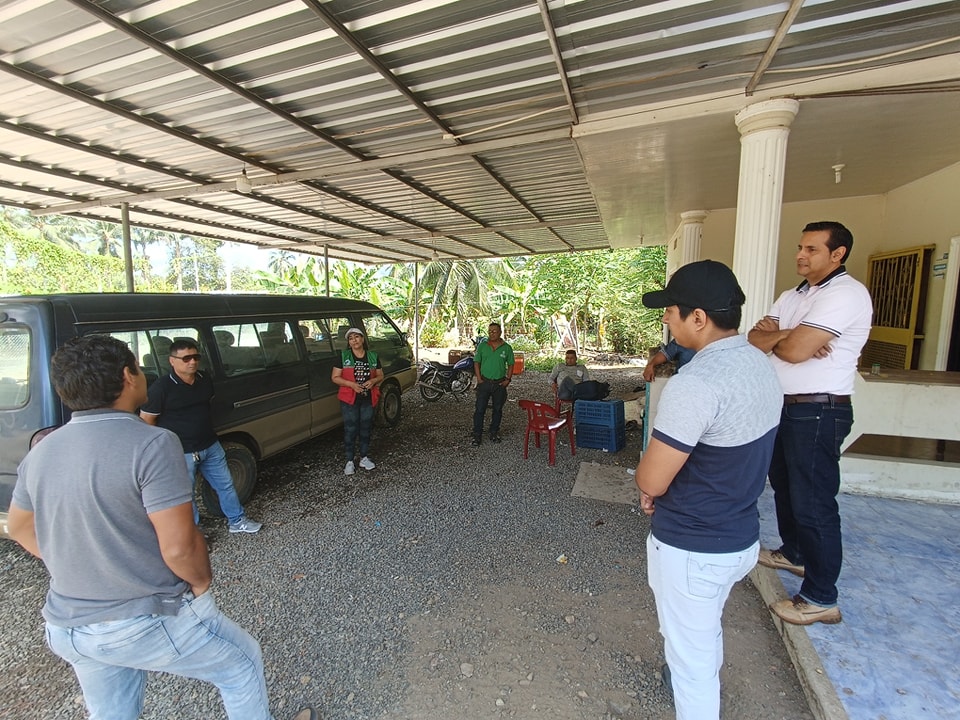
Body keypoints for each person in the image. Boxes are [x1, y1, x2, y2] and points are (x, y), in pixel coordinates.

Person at [7, 335, 314, 720]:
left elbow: (19, 527)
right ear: (128, 376)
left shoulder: (43, 451)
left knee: (112, 712)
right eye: (139, 368)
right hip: (141, 619)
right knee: (240, 663)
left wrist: (77, 564)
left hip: (67, 626)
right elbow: (179, 547)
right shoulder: (152, 443)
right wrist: (201, 585)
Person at [635, 260, 782, 720]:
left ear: (698, 317)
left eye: (670, 310)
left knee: (692, 666)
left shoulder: (697, 383)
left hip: (693, 547)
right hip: (739, 536)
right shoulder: (759, 365)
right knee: (702, 632)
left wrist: (648, 485)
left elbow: (652, 479)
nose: (666, 319)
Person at [748, 221, 873, 626]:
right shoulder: (794, 295)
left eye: (812, 249)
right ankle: (795, 553)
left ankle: (821, 597)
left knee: (814, 501)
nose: (801, 255)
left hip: (819, 410)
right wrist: (792, 334)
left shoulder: (846, 294)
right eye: (800, 247)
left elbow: (796, 351)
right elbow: (754, 340)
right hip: (783, 407)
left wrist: (791, 340)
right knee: (785, 486)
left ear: (838, 254)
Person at [141, 339, 262, 534]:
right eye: (186, 358)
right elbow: (147, 421)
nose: (192, 362)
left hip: (210, 444)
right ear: (172, 361)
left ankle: (237, 521)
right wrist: (160, 450)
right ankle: (194, 534)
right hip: (181, 451)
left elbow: (207, 404)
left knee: (226, 485)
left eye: (196, 357)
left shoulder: (203, 378)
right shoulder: (161, 388)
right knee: (186, 495)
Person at [331, 327, 383, 476]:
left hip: (367, 398)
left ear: (362, 338)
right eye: (351, 338)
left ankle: (364, 457)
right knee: (350, 429)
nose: (354, 340)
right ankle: (349, 460)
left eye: (357, 337)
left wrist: (373, 381)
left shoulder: (372, 356)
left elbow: (380, 375)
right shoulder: (343, 356)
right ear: (349, 342)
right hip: (349, 399)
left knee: (366, 427)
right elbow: (335, 377)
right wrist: (351, 385)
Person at [472, 322, 514, 446]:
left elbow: (511, 364)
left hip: (499, 384)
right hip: (484, 382)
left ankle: (494, 432)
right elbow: (476, 362)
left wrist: (508, 379)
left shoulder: (507, 348)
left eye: (494, 331)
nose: (492, 333)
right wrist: (479, 379)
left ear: (500, 332)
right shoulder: (482, 346)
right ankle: (477, 434)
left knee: (497, 409)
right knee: (480, 409)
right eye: (490, 331)